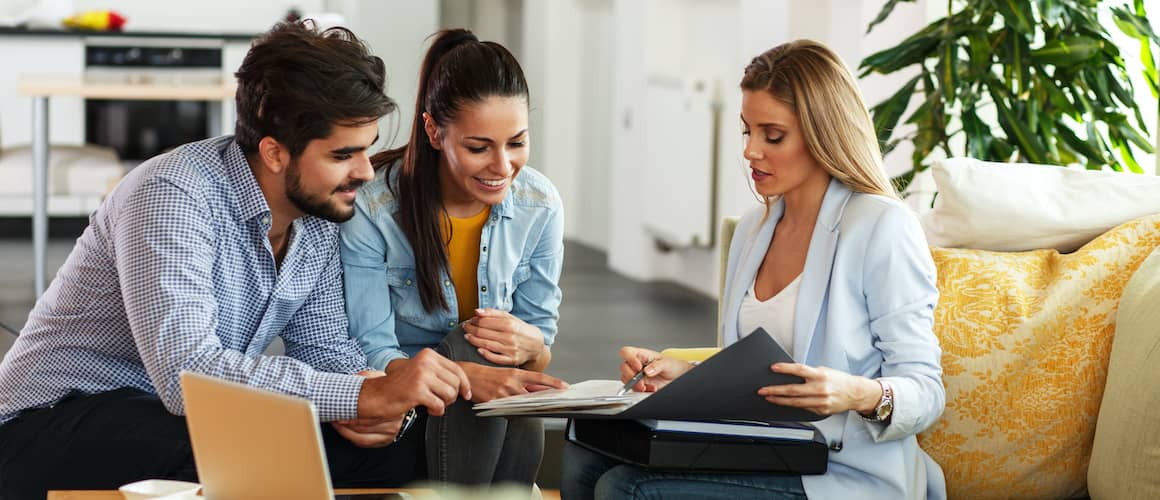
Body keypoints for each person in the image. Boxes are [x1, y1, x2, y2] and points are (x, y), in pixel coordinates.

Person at [0, 21, 471, 499]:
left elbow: (325, 350)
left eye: (366, 149)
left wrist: (368, 398)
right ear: (274, 153)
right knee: (248, 451)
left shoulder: (321, 216)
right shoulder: (172, 195)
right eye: (343, 154)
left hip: (175, 417)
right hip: (50, 420)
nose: (365, 172)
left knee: (406, 449)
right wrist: (358, 397)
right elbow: (187, 374)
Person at [561, 39, 946, 500]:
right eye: (748, 131)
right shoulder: (753, 229)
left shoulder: (881, 227)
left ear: (824, 133)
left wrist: (855, 394)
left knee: (629, 488)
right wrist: (684, 374)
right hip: (761, 448)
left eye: (773, 135)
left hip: (843, 472)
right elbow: (753, 372)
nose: (750, 151)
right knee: (584, 456)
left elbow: (926, 391)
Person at [340, 28, 568, 488]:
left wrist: (532, 348)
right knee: (474, 344)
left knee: (501, 355)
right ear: (433, 131)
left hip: (491, 410)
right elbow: (372, 349)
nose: (503, 166)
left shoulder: (540, 204)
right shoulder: (374, 207)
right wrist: (468, 375)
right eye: (479, 147)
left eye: (517, 143)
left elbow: (538, 348)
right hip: (408, 404)